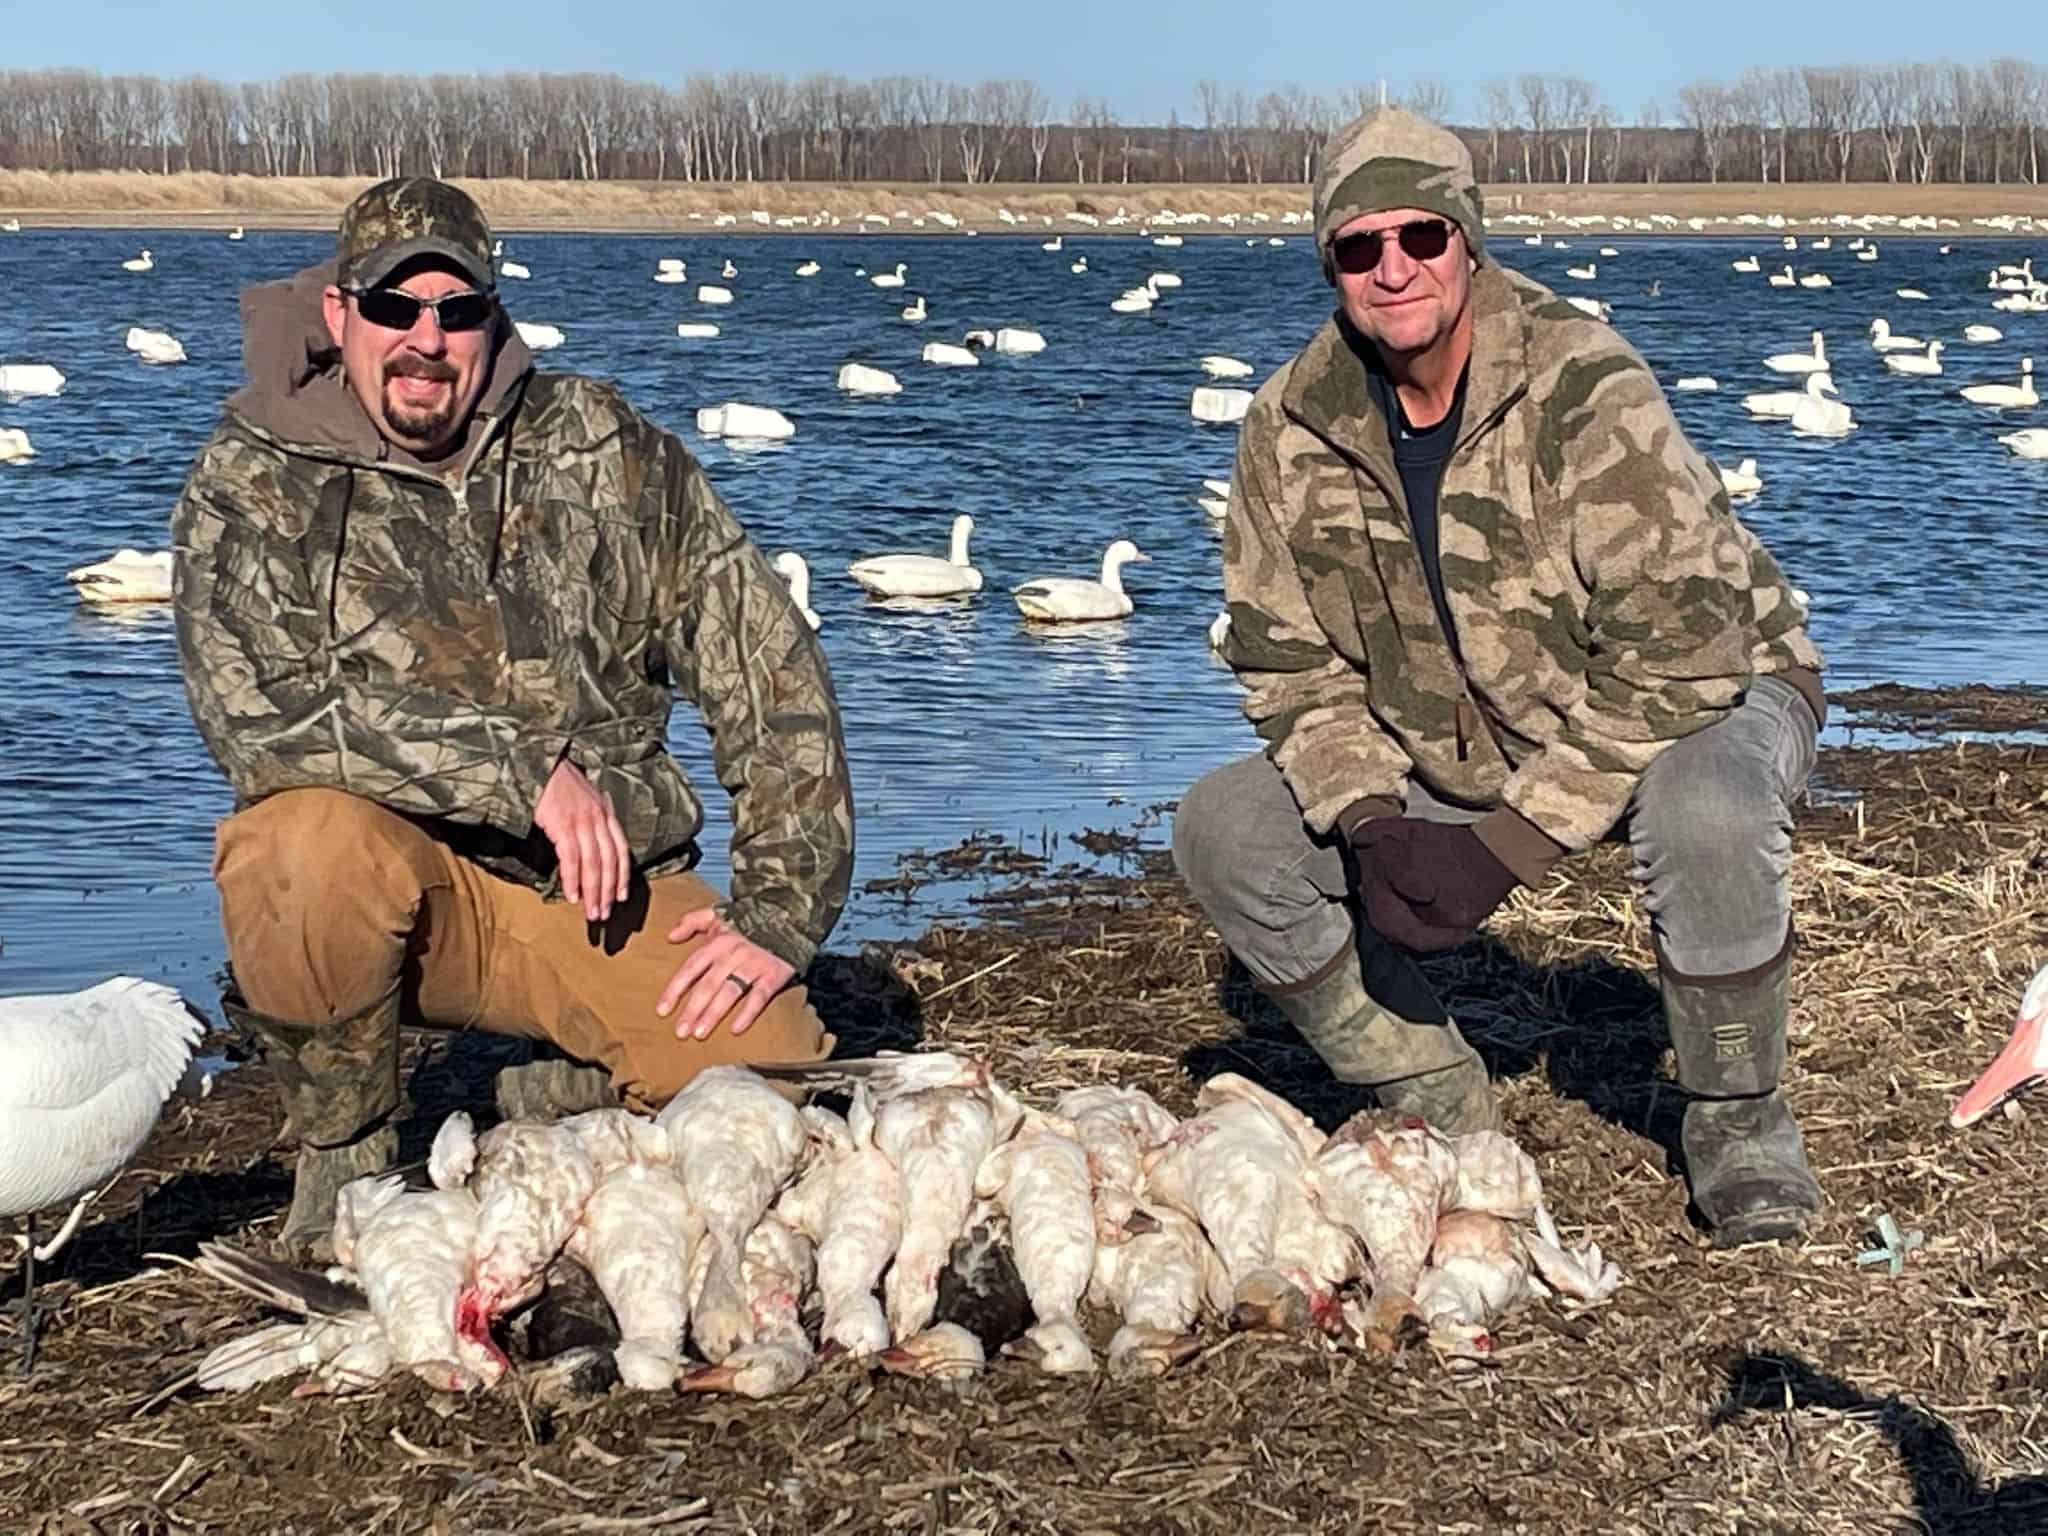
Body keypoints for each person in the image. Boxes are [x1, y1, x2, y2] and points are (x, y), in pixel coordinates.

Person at [1173, 108, 1828, 1247]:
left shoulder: (1581, 385)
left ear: (1466, 239)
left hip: (1710, 686)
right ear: (1328, 264)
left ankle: (1738, 1125)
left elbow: (1681, 654)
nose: (1392, 269)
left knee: (1704, 806)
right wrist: (1371, 818)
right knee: (1222, 828)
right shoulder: (1285, 427)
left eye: (1419, 236)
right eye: (1357, 246)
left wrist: (1502, 849)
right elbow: (1287, 666)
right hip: (1458, 732)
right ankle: (1431, 1100)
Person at [172, 177, 854, 1253]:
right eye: (395, 309)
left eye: (458, 311)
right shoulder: (253, 475)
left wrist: (779, 909)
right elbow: (255, 716)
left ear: (494, 320)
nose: (425, 340)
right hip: (395, 893)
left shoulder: (605, 447)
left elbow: (767, 671)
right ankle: (347, 1141)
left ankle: (564, 1090)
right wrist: (518, 773)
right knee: (295, 844)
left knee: (766, 1081)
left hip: (594, 892)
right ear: (342, 314)